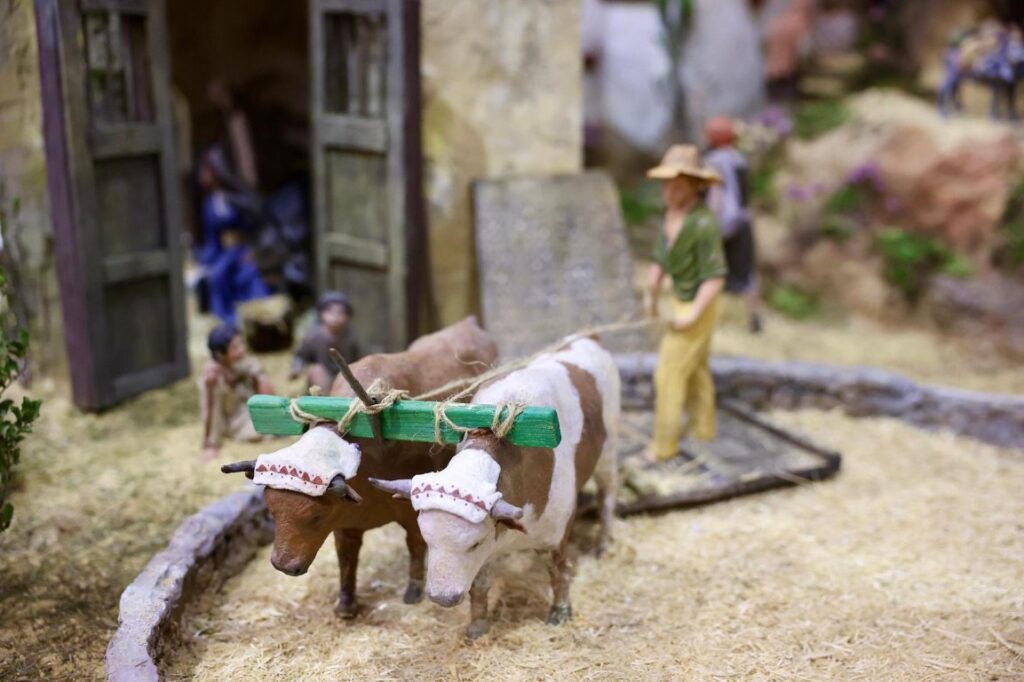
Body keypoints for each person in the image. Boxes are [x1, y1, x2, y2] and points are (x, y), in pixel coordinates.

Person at [643, 145, 727, 464]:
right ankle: (704, 428)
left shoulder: (704, 224)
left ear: (695, 185)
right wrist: (653, 284)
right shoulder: (671, 216)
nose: (669, 190)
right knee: (696, 368)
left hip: (700, 304)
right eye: (666, 183)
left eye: (678, 184)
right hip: (680, 298)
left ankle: (663, 446)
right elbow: (662, 256)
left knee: (669, 372)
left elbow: (715, 275)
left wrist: (693, 313)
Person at [195, 148, 270, 326]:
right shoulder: (210, 203)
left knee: (248, 276)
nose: (203, 175)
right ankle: (227, 320)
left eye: (207, 170)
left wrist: (254, 248)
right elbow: (212, 235)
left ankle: (259, 318)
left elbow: (259, 224)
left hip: (243, 250)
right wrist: (205, 258)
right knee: (217, 275)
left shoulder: (237, 199)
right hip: (223, 252)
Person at [704, 116, 764, 333]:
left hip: (723, 222)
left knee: (713, 269)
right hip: (743, 220)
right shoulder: (740, 159)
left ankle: (710, 317)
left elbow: (715, 195)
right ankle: (754, 316)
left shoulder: (713, 161)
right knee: (747, 272)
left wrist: (711, 222)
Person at [199, 324, 275, 462]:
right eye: (235, 348)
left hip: (243, 417)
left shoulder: (244, 363)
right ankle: (213, 443)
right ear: (220, 355)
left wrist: (259, 376)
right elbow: (210, 409)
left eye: (241, 345)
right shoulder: (213, 375)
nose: (242, 350)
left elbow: (266, 388)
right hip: (224, 421)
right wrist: (209, 441)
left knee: (259, 432)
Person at [290, 291, 361, 393]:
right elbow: (301, 356)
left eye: (341, 313)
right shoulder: (313, 336)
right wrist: (297, 368)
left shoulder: (350, 337)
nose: (336, 317)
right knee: (317, 370)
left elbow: (356, 359)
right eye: (331, 312)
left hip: (344, 376)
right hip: (323, 375)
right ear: (321, 314)